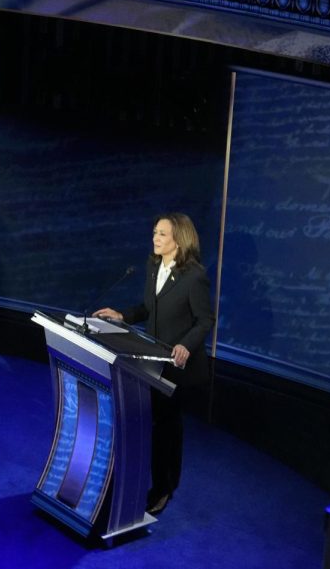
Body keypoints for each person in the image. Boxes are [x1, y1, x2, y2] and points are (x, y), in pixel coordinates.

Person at [94, 212, 214, 516]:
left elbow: (205, 320)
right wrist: (124, 316)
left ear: (179, 239)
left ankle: (164, 489)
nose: (155, 238)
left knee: (167, 428)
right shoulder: (153, 266)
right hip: (152, 361)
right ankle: (147, 482)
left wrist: (185, 345)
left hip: (178, 366)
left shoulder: (194, 276)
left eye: (161, 234)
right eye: (154, 232)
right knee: (155, 423)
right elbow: (151, 307)